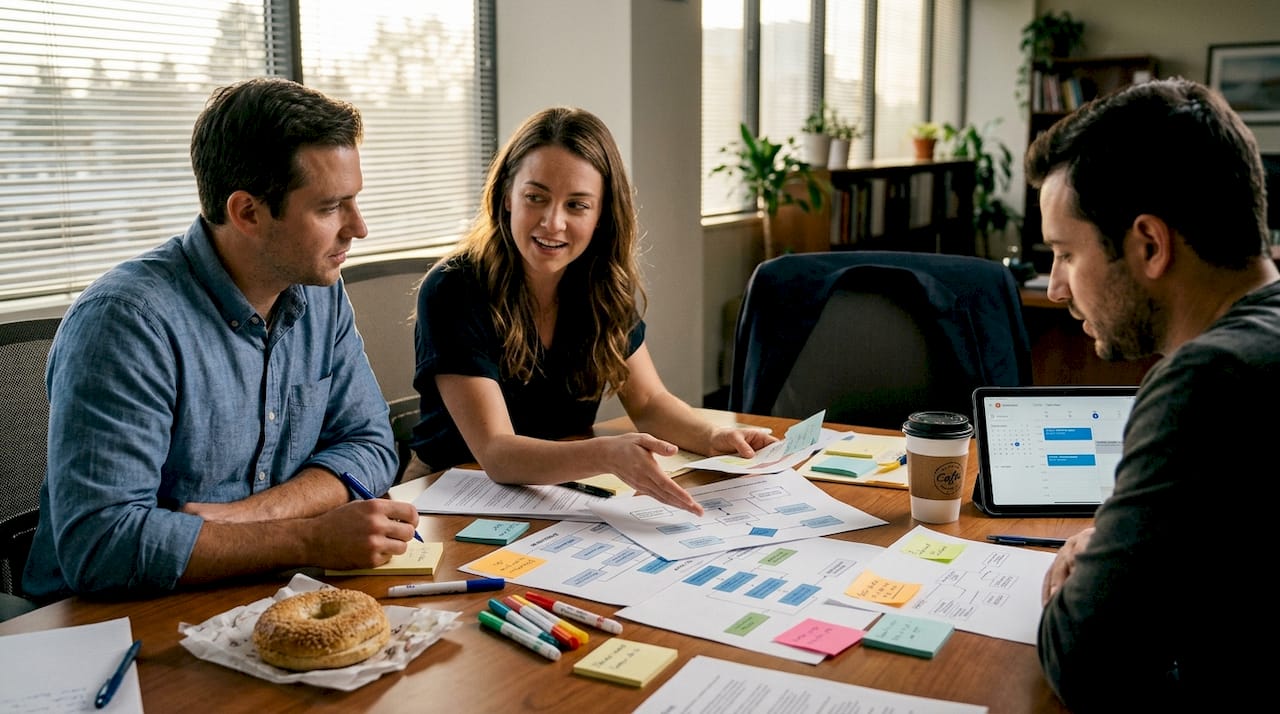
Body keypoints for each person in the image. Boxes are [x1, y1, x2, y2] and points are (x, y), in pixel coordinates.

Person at [23, 77, 419, 602]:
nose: (359, 228)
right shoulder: (124, 322)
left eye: (354, 202)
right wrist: (307, 538)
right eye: (329, 208)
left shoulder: (318, 292)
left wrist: (251, 517)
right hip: (104, 620)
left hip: (256, 591)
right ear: (247, 213)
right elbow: (102, 545)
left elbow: (369, 444)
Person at [1027, 76, 1277, 710]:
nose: (1056, 289)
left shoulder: (1209, 380)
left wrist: (1096, 569)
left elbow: (1087, 664)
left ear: (1149, 244)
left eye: (1064, 253)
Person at [410, 106, 775, 515]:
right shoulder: (454, 288)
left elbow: (650, 401)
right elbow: (497, 451)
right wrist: (605, 454)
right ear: (507, 197)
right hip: (449, 492)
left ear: (601, 214)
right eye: (536, 197)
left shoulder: (601, 286)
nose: (553, 222)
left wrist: (714, 436)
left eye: (577, 205)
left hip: (553, 490)